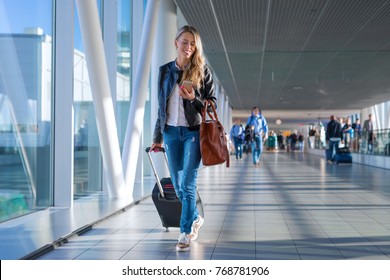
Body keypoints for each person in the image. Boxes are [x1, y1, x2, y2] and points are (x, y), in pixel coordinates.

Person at [150, 25, 216, 252]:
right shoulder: (164, 71)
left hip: (193, 132)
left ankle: (185, 232)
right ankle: (196, 217)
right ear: (176, 43)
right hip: (170, 132)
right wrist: (157, 136)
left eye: (192, 43)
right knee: (178, 186)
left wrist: (193, 98)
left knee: (188, 184)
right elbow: (161, 106)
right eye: (185, 42)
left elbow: (211, 104)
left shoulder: (202, 71)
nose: (188, 47)